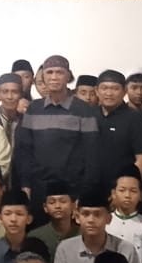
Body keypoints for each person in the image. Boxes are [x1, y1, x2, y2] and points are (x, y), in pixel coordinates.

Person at [13, 55, 101, 225]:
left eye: (59, 72)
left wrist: (84, 194)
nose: (54, 77)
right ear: (43, 77)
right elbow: (24, 151)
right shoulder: (33, 109)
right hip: (39, 191)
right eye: (49, 72)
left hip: (72, 192)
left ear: (68, 76)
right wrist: (25, 186)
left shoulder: (83, 110)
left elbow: (92, 156)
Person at [54, 188, 142, 263]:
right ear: (77, 217)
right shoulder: (65, 249)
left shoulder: (126, 249)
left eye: (97, 214)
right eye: (86, 214)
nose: (91, 220)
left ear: (109, 219)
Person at [95, 69, 142, 189]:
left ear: (124, 91)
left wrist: (126, 190)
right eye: (104, 88)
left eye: (115, 89)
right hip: (92, 189)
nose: (109, 93)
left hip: (123, 191)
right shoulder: (89, 116)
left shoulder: (137, 118)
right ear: (97, 91)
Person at [106, 166, 142, 259]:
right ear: (113, 193)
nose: (127, 195)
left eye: (133, 191)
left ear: (141, 195)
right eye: (122, 190)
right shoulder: (106, 221)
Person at [28, 179, 78, 258]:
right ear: (45, 207)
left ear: (73, 205)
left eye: (63, 201)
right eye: (52, 202)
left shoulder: (83, 234)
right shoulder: (35, 236)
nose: (57, 206)